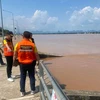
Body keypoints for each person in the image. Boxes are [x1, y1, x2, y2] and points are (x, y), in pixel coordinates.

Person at [13, 31, 40, 97]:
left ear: (23, 36)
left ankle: (22, 91)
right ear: (30, 37)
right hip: (31, 63)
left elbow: (15, 54)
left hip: (22, 64)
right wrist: (38, 61)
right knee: (31, 76)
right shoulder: (32, 45)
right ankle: (33, 90)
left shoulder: (18, 44)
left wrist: (14, 62)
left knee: (22, 77)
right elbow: (36, 54)